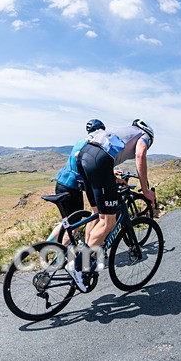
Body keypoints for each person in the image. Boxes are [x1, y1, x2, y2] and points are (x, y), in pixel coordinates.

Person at [67, 119, 156, 289]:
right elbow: (140, 155)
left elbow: (93, 157)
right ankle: (77, 266)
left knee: (98, 214)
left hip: (84, 157)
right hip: (98, 160)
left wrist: (113, 179)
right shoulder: (144, 135)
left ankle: (89, 254)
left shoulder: (121, 132)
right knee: (109, 221)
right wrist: (145, 190)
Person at [49, 119, 106, 242]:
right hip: (71, 186)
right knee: (73, 226)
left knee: (67, 222)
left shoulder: (80, 142)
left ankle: (46, 244)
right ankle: (60, 257)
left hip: (61, 182)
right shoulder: (92, 144)